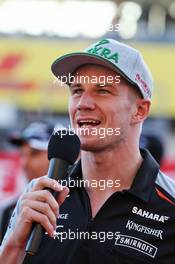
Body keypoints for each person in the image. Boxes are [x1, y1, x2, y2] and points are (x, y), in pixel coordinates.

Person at [0, 39, 175, 264]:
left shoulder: (169, 208)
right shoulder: (37, 197)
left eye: (102, 91)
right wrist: (14, 244)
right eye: (77, 90)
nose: (83, 103)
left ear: (140, 110)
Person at [0, 121, 55, 243]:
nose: (24, 163)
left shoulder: (83, 203)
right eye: (22, 155)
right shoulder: (10, 210)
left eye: (34, 154)